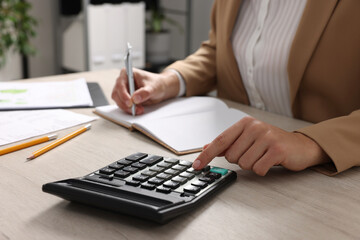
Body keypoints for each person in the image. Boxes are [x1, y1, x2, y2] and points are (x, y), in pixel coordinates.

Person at [112, 0, 360, 176]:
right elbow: (219, 50)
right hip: (235, 169)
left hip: (322, 184)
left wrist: (310, 143)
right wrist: (169, 80)